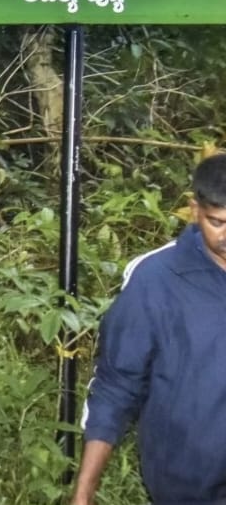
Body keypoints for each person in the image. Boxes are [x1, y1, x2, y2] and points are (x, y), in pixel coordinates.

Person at [72, 153, 226, 504]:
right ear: (194, 209)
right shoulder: (156, 280)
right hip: (188, 487)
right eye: (218, 222)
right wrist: (84, 492)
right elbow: (116, 385)